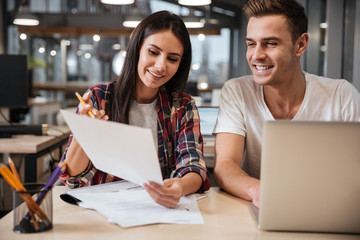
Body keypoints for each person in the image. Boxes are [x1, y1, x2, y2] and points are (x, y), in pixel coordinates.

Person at [213, 0, 360, 208]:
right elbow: (225, 166)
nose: (256, 55)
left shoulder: (341, 95)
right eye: (251, 44)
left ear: (300, 45)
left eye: (270, 43)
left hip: (328, 209)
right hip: (262, 207)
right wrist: (260, 192)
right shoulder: (237, 91)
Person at [60, 10, 210, 208]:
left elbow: (193, 165)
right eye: (153, 52)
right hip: (103, 213)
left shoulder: (182, 106)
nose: (160, 66)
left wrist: (180, 187)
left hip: (158, 211)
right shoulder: (99, 98)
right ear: (137, 49)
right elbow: (73, 180)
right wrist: (83, 129)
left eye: (172, 59)